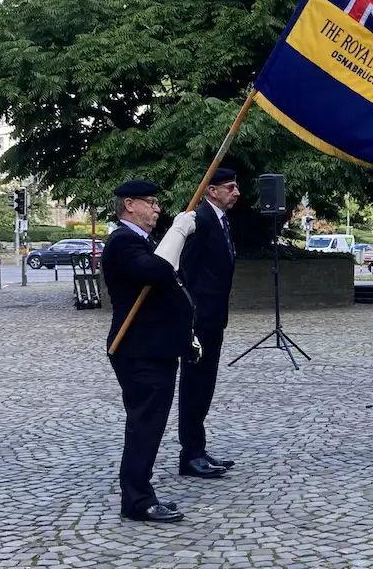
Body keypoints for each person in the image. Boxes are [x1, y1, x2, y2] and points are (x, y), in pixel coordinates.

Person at [102, 180, 203, 523]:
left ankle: (140, 494)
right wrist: (178, 231)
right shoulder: (123, 241)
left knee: (151, 424)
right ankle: (137, 501)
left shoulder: (144, 240)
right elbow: (157, 272)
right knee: (145, 425)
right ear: (130, 204)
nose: (157, 208)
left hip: (155, 348)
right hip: (138, 350)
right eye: (151, 202)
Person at [177, 168, 240, 478]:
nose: (237, 192)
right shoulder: (199, 221)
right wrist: (190, 316)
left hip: (214, 318)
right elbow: (184, 271)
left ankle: (198, 449)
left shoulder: (220, 220)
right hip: (199, 320)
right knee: (194, 386)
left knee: (205, 386)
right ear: (212, 191)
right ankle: (190, 454)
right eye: (230, 187)